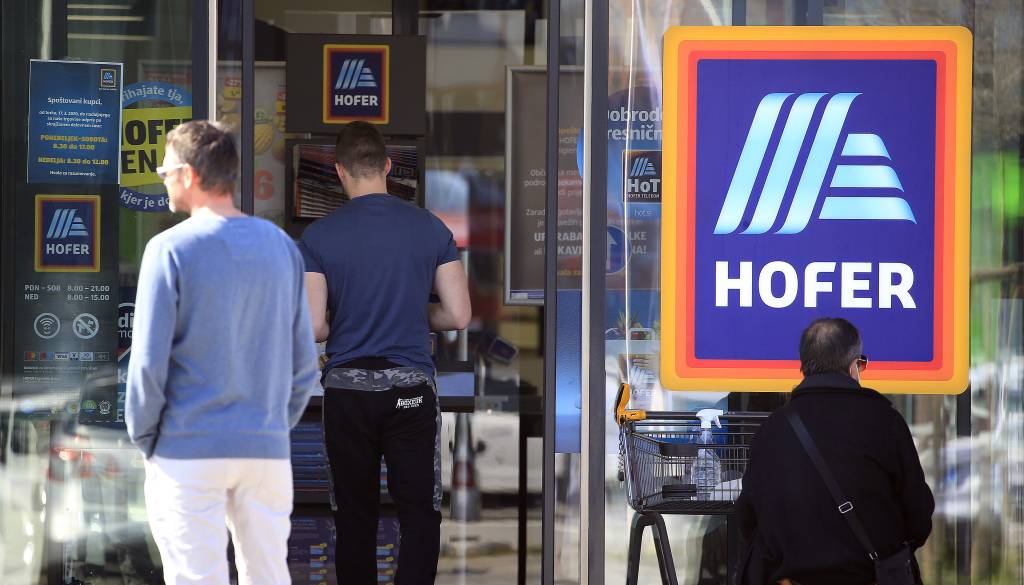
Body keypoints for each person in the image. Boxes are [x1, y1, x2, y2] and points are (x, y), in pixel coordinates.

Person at [126, 120, 319, 585]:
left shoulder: (168, 249)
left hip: (187, 445)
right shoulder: (281, 247)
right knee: (268, 576)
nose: (162, 178)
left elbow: (148, 365)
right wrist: (271, 425)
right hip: (264, 448)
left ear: (190, 175)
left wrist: (147, 438)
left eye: (166, 170)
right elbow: (303, 364)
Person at [299, 121, 471, 585]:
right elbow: (458, 314)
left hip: (347, 393)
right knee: (419, 514)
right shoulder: (431, 228)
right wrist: (416, 314)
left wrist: (346, 320)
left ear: (339, 170)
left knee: (354, 515)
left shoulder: (317, 236)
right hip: (410, 391)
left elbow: (314, 326)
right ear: (388, 166)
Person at [735, 318, 934, 585]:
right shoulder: (885, 422)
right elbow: (918, 516)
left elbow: (748, 518)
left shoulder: (771, 430)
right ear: (853, 366)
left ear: (804, 367)